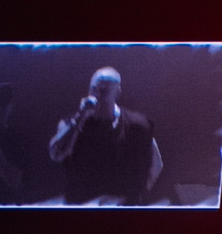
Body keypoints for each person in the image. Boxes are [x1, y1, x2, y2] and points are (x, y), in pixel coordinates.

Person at [46, 67, 161, 205]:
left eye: (104, 91)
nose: (98, 96)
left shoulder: (138, 125)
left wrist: (138, 192)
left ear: (118, 92)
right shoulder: (73, 123)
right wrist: (80, 117)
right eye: (94, 89)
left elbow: (156, 164)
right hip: (83, 207)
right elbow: (56, 154)